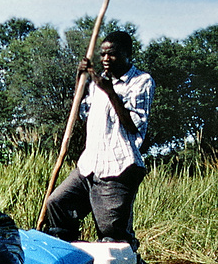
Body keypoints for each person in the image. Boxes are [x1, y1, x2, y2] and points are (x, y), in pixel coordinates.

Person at [43, 30, 153, 247]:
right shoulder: (96, 83)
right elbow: (81, 112)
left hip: (118, 166)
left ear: (127, 55)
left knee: (111, 232)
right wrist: (81, 79)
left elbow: (133, 124)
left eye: (111, 54)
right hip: (90, 164)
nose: (105, 59)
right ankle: (68, 260)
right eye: (102, 54)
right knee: (57, 204)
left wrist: (110, 92)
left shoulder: (141, 81)